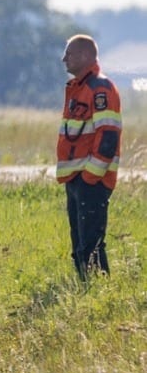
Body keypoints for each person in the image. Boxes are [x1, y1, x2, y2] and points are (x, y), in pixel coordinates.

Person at [57, 34, 123, 279]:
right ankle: (85, 286)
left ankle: (98, 289)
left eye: (69, 54)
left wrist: (90, 178)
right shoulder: (78, 89)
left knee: (91, 244)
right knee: (79, 244)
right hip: (77, 178)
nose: (64, 59)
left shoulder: (100, 89)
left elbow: (108, 139)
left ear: (85, 56)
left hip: (91, 179)